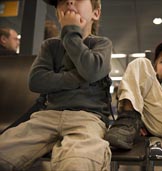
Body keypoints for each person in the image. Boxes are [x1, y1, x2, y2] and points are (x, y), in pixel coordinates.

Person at [0, 0, 112, 170]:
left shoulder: (101, 44)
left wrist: (71, 33)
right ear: (59, 14)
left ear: (95, 14)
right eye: (62, 1)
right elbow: (37, 81)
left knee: (79, 161)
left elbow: (92, 70)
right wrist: (81, 78)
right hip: (46, 116)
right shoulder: (50, 46)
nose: (69, 1)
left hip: (87, 118)